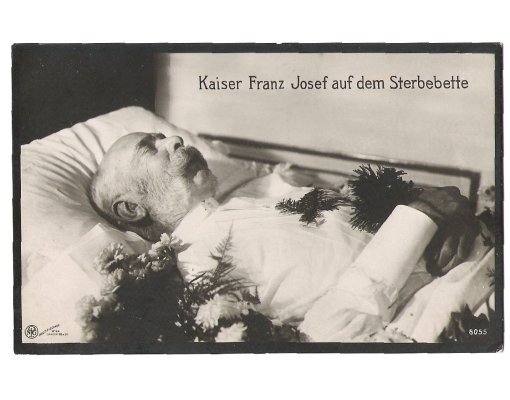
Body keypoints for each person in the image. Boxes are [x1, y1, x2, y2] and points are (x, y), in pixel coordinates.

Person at [90, 133, 480, 341]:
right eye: (151, 147)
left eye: (164, 136)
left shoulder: (251, 199)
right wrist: (421, 217)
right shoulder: (201, 270)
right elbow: (324, 336)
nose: (175, 141)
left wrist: (444, 217)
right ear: (131, 209)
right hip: (456, 311)